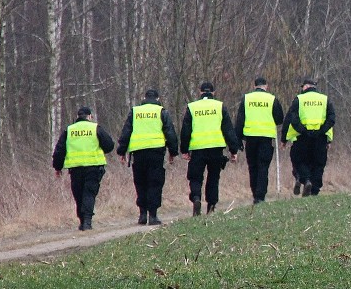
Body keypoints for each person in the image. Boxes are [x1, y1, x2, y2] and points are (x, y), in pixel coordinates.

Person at [116, 89, 179, 225]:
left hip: (138, 153)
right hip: (156, 153)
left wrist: (121, 151)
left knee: (140, 183)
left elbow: (126, 132)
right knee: (155, 183)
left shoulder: (135, 112)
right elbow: (169, 132)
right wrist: (173, 152)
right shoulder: (162, 111)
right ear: (157, 99)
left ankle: (142, 214)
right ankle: (153, 215)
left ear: (144, 98)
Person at [179, 82, 240, 216]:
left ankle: (196, 198)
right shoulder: (219, 106)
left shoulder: (192, 107)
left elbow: (186, 130)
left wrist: (184, 150)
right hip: (215, 149)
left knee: (195, 177)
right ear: (213, 93)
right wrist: (233, 150)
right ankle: (211, 207)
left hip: (197, 149)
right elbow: (228, 129)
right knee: (213, 178)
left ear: (200, 92)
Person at [52, 106, 114, 231]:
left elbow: (59, 150)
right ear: (89, 116)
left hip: (75, 168)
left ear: (78, 117)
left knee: (79, 194)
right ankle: (87, 221)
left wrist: (57, 167)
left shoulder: (69, 130)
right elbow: (109, 145)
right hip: (93, 167)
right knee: (89, 193)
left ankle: (82, 220)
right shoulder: (95, 128)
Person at [236, 77, 285, 204]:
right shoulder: (272, 99)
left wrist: (238, 139)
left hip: (250, 137)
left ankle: (254, 192)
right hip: (266, 138)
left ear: (254, 86)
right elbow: (280, 118)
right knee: (263, 166)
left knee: (252, 166)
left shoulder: (246, 99)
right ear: (266, 86)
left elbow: (240, 120)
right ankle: (260, 195)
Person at [285, 78, 335, 196]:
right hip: (320, 137)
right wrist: (322, 131)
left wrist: (302, 130)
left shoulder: (299, 99)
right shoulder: (325, 99)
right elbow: (332, 117)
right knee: (318, 164)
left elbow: (293, 118)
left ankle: (306, 180)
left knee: (300, 160)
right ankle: (315, 191)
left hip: (303, 137)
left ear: (305, 87)